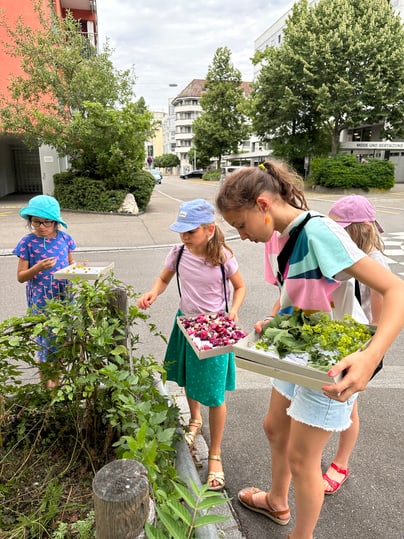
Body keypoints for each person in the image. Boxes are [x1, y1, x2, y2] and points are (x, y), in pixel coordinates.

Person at [216, 161, 404, 539]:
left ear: (263, 205)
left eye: (240, 224)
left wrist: (370, 358)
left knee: (303, 459)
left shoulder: (320, 232)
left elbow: (395, 290)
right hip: (297, 351)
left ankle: (302, 535)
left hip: (330, 362)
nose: (240, 234)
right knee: (274, 427)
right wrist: (275, 318)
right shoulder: (283, 234)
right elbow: (298, 289)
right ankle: (276, 501)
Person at [137, 198, 246, 491]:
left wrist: (233, 310)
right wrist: (153, 293)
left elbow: (240, 287)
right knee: (188, 377)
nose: (184, 236)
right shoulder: (179, 253)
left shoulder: (223, 256)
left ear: (209, 229)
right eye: (181, 231)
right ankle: (194, 420)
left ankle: (215, 455)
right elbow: (163, 278)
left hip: (214, 329)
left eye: (191, 231)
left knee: (215, 393)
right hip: (186, 322)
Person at [322, 194, 390, 494]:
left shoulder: (374, 264)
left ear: (358, 230)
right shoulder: (349, 259)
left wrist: (363, 358)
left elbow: (378, 323)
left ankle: (340, 463)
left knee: (347, 407)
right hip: (343, 342)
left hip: (362, 350)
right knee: (341, 405)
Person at [13, 195, 76, 387]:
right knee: (45, 346)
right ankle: (47, 387)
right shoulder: (27, 243)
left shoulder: (65, 239)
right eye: (36, 222)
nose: (41, 227)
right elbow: (21, 276)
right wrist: (38, 268)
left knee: (62, 344)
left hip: (64, 301)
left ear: (56, 222)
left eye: (46, 222)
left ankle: (55, 385)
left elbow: (71, 263)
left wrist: (79, 268)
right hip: (41, 305)